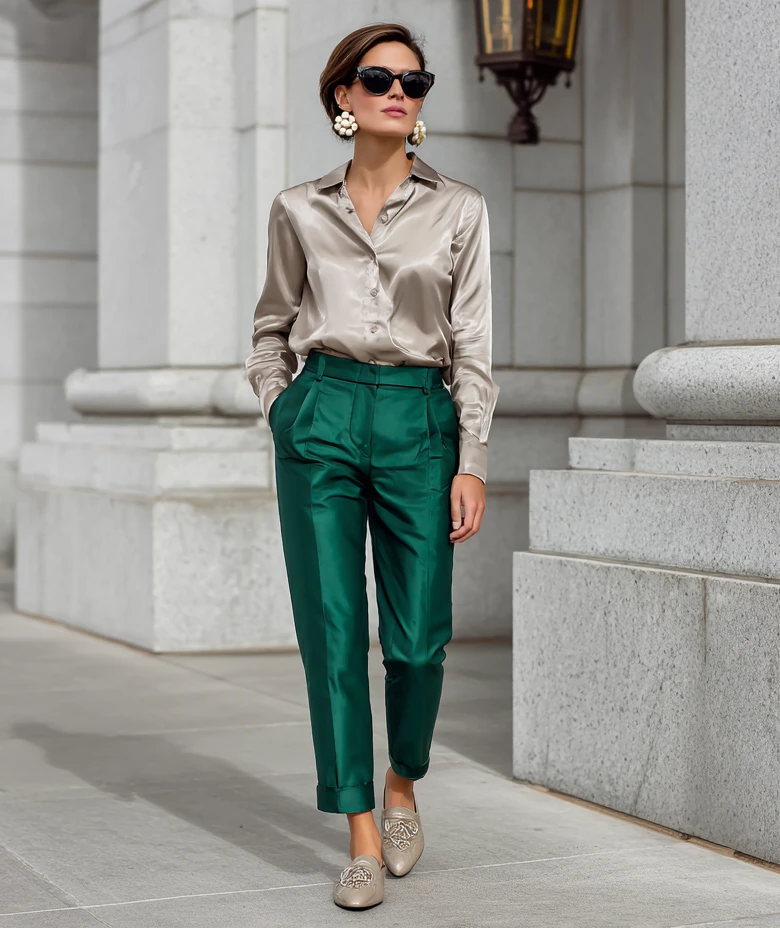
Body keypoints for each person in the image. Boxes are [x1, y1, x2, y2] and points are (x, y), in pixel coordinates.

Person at [243, 21, 499, 911]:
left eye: (415, 80)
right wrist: (283, 410)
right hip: (322, 414)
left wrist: (471, 457)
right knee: (333, 633)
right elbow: (270, 326)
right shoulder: (297, 209)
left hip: (419, 419)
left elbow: (473, 344)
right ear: (342, 99)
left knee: (420, 639)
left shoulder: (459, 207)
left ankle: (403, 782)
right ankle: (356, 825)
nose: (400, 90)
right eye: (379, 77)